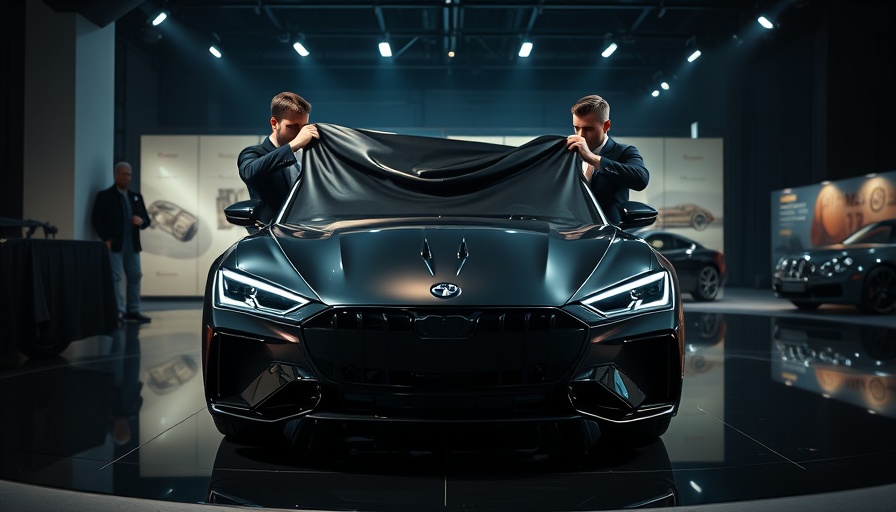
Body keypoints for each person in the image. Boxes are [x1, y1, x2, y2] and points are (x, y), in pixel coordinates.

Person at [238, 91, 320, 226]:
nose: (300, 133)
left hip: (313, 234)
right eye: (292, 127)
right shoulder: (254, 153)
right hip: (274, 237)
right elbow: (250, 172)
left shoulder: (311, 154)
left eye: (304, 127)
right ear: (274, 123)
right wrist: (293, 145)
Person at [566, 94, 649, 223]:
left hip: (608, 237)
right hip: (571, 235)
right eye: (576, 128)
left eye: (588, 129)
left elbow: (641, 179)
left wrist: (593, 159)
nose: (580, 135)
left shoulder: (624, 152)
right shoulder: (569, 153)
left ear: (606, 126)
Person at [91, 161, 152, 323]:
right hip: (115, 244)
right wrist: (106, 238)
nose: (127, 177)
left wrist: (141, 222)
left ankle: (133, 310)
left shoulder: (136, 197)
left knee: (135, 276)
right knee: (116, 277)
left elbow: (147, 220)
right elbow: (96, 220)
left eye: (129, 174)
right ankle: (117, 311)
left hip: (132, 245)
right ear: (116, 175)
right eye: (124, 174)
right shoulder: (105, 196)